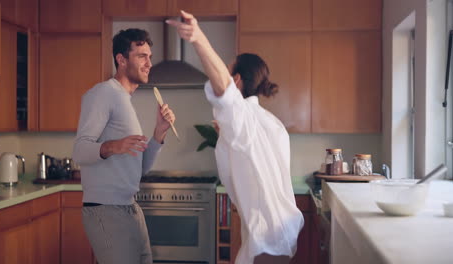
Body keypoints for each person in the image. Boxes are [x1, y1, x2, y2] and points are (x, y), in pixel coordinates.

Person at [167, 11, 304, 264]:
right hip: (280, 234)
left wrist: (199, 39)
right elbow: (254, 162)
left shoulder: (244, 119)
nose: (225, 78)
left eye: (229, 73)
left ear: (237, 80)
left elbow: (227, 95)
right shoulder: (270, 123)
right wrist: (226, 139)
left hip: (268, 239)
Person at [72, 28, 176, 264]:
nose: (149, 63)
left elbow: (138, 170)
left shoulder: (126, 102)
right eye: (142, 56)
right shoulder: (102, 93)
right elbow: (80, 150)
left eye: (150, 56)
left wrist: (158, 134)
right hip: (105, 210)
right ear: (121, 60)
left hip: (130, 207)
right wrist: (111, 146)